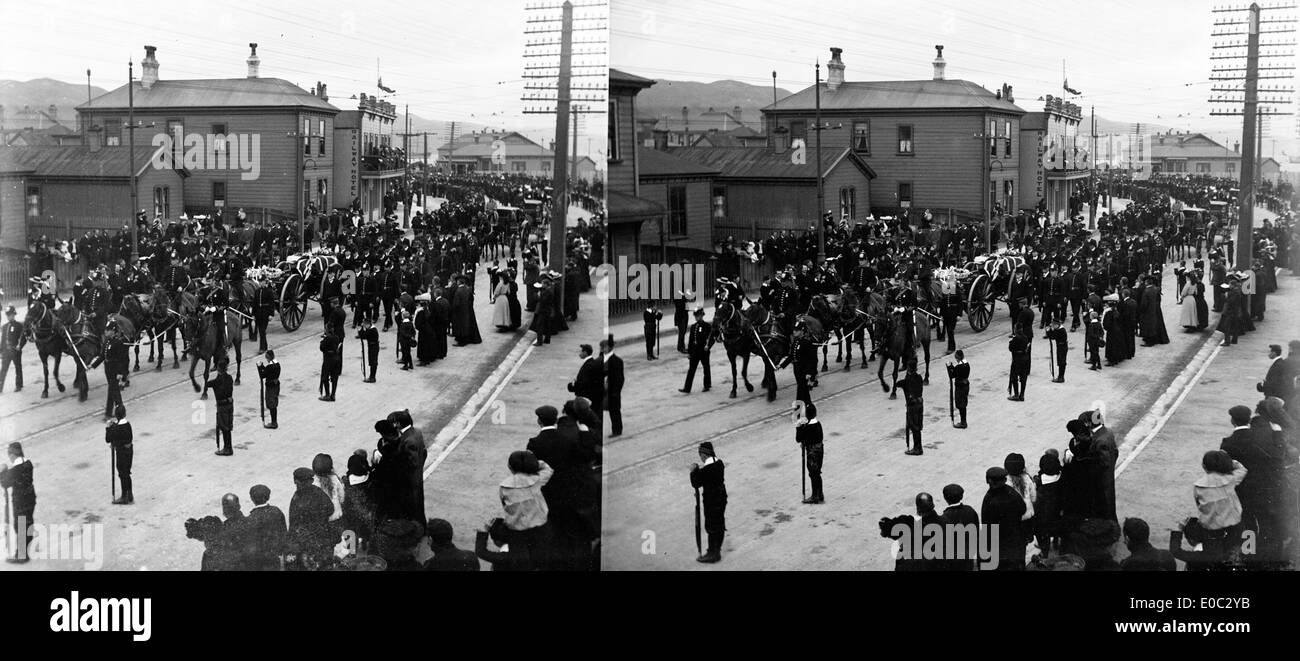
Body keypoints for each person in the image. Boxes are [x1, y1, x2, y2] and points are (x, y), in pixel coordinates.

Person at [1220, 403, 1287, 565]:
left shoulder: (1227, 443)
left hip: (1242, 490)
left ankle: (1249, 553)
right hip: (1264, 486)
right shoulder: (1260, 437)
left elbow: (1225, 469)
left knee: (1247, 522)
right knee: (1266, 521)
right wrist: (1278, 434)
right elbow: (1278, 456)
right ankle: (1271, 556)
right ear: (1249, 419)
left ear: (1232, 421)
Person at [499, 449, 555, 569]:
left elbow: (505, 506)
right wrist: (535, 463)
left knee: (521, 564)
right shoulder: (537, 480)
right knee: (543, 561)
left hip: (517, 532)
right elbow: (548, 469)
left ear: (510, 467)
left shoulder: (504, 486)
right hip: (540, 528)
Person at [1192, 449, 1248, 561]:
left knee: (1213, 557)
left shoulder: (1198, 486)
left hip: (1211, 528)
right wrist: (1231, 462)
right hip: (1234, 525)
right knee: (1234, 554)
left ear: (1204, 466)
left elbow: (1199, 505)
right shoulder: (1230, 479)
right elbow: (1242, 469)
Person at [287, 466, 337, 570]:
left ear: (296, 481)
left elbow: (293, 523)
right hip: (322, 537)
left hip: (305, 541)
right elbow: (330, 509)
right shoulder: (318, 492)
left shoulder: (297, 498)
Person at [981, 465, 1028, 570]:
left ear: (989, 481)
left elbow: (987, 525)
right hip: (1015, 538)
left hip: (998, 543)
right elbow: (1023, 509)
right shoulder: (1012, 492)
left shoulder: (989, 499)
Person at [690, 441, 727, 563]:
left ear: (704, 455)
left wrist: (693, 471)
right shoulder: (719, 463)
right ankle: (717, 549)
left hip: (712, 501)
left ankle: (713, 553)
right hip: (721, 498)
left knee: (711, 526)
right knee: (720, 524)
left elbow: (696, 483)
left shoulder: (706, 470)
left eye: (700, 455)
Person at [0, 442, 35, 562]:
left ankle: (22, 556)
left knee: (20, 527)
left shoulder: (15, 470)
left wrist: (2, 471)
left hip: (20, 502)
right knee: (28, 523)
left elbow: (5, 483)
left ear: (12, 455)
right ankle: (26, 545)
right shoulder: (28, 463)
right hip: (30, 498)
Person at [246, 484, 287, 571]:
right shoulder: (276, 511)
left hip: (259, 561)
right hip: (275, 557)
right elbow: (284, 533)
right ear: (268, 497)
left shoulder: (251, 518)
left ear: (252, 499)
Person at [938, 484, 979, 570]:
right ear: (962, 496)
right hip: (968, 555)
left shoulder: (943, 518)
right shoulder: (970, 510)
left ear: (945, 498)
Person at [342, 453, 376, 551]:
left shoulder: (348, 482)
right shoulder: (370, 479)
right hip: (366, 514)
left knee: (350, 532)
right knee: (366, 531)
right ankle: (365, 544)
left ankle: (352, 551)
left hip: (351, 516)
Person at [1033, 450, 1063, 555]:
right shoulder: (1063, 479)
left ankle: (1045, 553)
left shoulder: (1040, 486)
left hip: (1045, 522)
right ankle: (1056, 542)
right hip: (1060, 518)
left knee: (1043, 534)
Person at [795, 402, 825, 503]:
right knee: (817, 473)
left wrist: (798, 427)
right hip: (819, 451)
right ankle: (819, 494)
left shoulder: (808, 428)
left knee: (813, 473)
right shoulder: (818, 424)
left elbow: (799, 439)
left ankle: (815, 496)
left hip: (812, 454)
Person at [679, 308, 714, 394]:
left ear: (702, 316)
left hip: (703, 350)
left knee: (706, 367)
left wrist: (708, 346)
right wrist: (689, 352)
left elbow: (712, 338)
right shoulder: (693, 327)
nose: (696, 318)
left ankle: (707, 385)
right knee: (691, 369)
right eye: (695, 316)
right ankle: (687, 388)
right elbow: (691, 341)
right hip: (695, 351)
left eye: (698, 316)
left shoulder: (707, 326)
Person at [105, 404, 133, 505]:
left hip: (121, 453)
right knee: (127, 472)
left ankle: (124, 496)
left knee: (122, 473)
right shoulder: (128, 425)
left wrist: (108, 428)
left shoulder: (117, 428)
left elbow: (108, 439)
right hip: (129, 451)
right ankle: (130, 494)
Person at [207, 358, 235, 456]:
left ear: (219, 368)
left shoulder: (217, 380)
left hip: (222, 406)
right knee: (228, 426)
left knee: (224, 427)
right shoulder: (230, 378)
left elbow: (208, 384)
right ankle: (229, 447)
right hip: (230, 404)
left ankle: (227, 448)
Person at [901, 360, 925, 455]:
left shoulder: (909, 380)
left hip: (913, 405)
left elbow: (899, 383)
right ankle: (918, 447)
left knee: (914, 426)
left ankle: (917, 448)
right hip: (920, 403)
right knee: (918, 426)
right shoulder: (919, 377)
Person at [602, 338, 624, 437]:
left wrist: (616, 391)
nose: (602, 349)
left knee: (614, 410)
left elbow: (620, 379)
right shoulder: (602, 358)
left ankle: (617, 429)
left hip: (613, 390)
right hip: (604, 388)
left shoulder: (617, 361)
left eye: (605, 347)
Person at [451, 275, 482, 346]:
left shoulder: (458, 291)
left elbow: (456, 303)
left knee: (460, 326)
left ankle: (461, 341)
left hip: (460, 312)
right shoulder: (467, 289)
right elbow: (471, 299)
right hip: (467, 310)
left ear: (459, 282)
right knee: (466, 325)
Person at [0, 306, 25, 393]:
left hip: (15, 350)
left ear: (14, 315)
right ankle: (0, 386)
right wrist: (1, 351)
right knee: (3, 369)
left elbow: (23, 338)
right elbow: (2, 340)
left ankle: (19, 385)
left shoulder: (19, 326)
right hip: (6, 351)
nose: (9, 317)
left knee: (18, 367)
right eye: (7, 315)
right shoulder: (4, 326)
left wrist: (20, 346)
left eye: (10, 315)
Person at [256, 350, 280, 429]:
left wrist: (259, 367)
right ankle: (274, 421)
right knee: (274, 403)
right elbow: (267, 371)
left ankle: (274, 423)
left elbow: (263, 375)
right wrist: (263, 366)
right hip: (276, 385)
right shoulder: (277, 364)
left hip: (270, 386)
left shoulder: (270, 367)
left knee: (271, 403)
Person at [948, 350, 970, 428]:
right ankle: (963, 421)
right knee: (963, 403)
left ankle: (963, 422)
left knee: (961, 404)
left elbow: (952, 375)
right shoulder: (967, 364)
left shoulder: (958, 367)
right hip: (966, 385)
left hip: (960, 387)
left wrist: (950, 367)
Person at [318, 330, 342, 401]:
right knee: (335, 377)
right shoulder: (337, 337)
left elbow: (322, 348)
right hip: (336, 359)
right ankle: (333, 395)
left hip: (328, 359)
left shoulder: (327, 338)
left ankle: (327, 394)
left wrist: (322, 341)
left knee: (325, 377)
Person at [1007, 327, 1030, 401]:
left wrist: (1011, 341)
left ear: (1015, 330)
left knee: (1014, 376)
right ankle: (1022, 395)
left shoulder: (1015, 338)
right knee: (1023, 378)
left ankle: (1016, 394)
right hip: (1025, 359)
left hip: (1017, 359)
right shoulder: (1025, 337)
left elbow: (1011, 348)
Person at [1044, 319, 1068, 383]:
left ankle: (1061, 377)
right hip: (1060, 346)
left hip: (1062, 347)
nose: (1053, 327)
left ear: (1057, 325)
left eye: (1054, 325)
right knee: (1060, 361)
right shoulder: (1058, 329)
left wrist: (1049, 331)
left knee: (1061, 362)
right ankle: (1060, 376)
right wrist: (1050, 330)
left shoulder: (1061, 330)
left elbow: (1053, 337)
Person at [356, 318, 379, 383]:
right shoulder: (371, 328)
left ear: (368, 324)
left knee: (373, 362)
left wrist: (360, 330)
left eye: (365, 325)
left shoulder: (372, 330)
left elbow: (363, 336)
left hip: (373, 347)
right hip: (372, 346)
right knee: (372, 361)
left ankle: (372, 377)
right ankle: (372, 376)